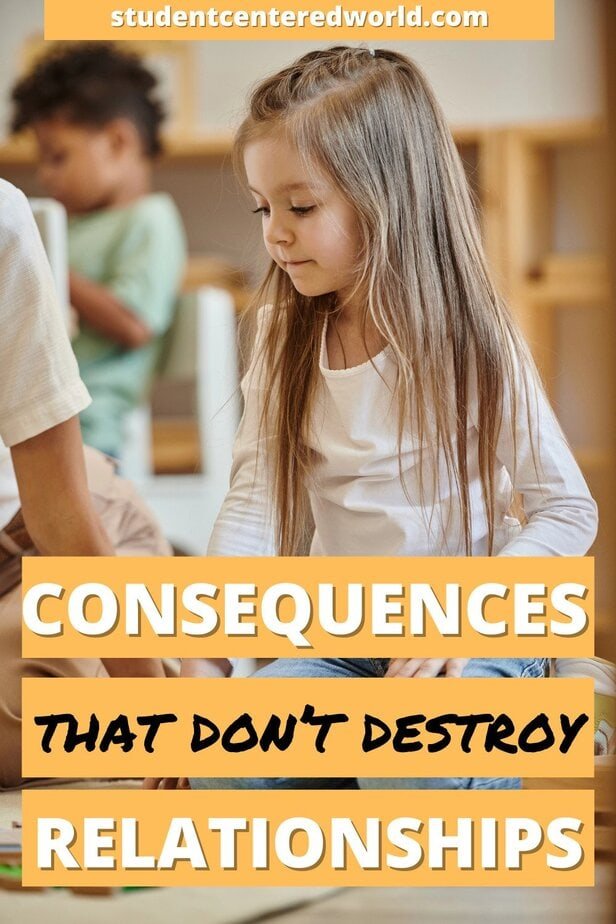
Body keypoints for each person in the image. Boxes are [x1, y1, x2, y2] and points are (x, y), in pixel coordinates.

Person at [181, 47, 600, 794]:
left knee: (414, 774)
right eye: (263, 207)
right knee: (220, 767)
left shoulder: (476, 338)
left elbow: (567, 509)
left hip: (472, 639)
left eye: (300, 207)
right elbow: (252, 499)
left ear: (389, 198)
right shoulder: (284, 331)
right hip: (344, 647)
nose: (274, 234)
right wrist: (204, 669)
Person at [0, 177, 187, 790]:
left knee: (50, 719)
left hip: (31, 537)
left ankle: (185, 661)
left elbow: (59, 517)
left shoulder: (4, 220)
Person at [9, 42, 187, 460]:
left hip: (86, 428)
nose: (45, 174)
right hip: (34, 416)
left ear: (117, 142)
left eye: (57, 156)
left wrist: (48, 269)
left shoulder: (151, 220)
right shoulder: (69, 226)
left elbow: (135, 323)